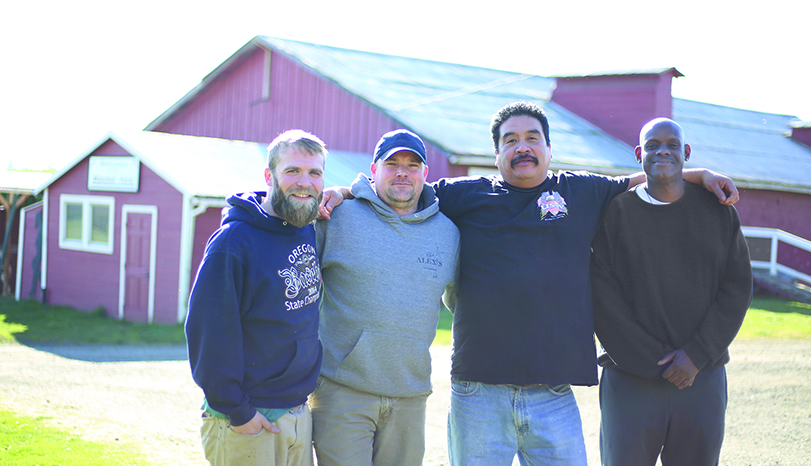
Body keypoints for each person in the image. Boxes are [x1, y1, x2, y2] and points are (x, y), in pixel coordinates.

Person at [320, 101, 739, 465]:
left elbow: (648, 177)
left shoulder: (581, 190)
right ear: (497, 151)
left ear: (548, 148)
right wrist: (342, 192)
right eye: (510, 140)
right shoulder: (464, 195)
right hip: (478, 392)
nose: (522, 146)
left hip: (553, 393)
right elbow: (400, 186)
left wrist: (699, 173)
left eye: (532, 137)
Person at [590, 118, 752, 465]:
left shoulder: (718, 211)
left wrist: (695, 355)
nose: (662, 150)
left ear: (686, 152)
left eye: (671, 144)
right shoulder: (614, 213)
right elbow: (602, 296)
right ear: (639, 153)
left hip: (701, 378)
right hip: (630, 379)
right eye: (652, 145)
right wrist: (652, 361)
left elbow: (736, 288)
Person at [310, 129, 460, 466]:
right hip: (341, 389)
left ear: (425, 173)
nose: (402, 171)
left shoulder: (449, 233)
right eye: (392, 163)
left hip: (411, 396)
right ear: (374, 170)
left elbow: (462, 304)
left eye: (412, 164)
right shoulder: (336, 216)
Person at [185, 129, 327, 466]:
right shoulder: (233, 243)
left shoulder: (304, 224)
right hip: (248, 418)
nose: (304, 182)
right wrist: (238, 411)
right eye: (292, 171)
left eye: (315, 173)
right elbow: (207, 334)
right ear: (269, 176)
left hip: (296, 409)